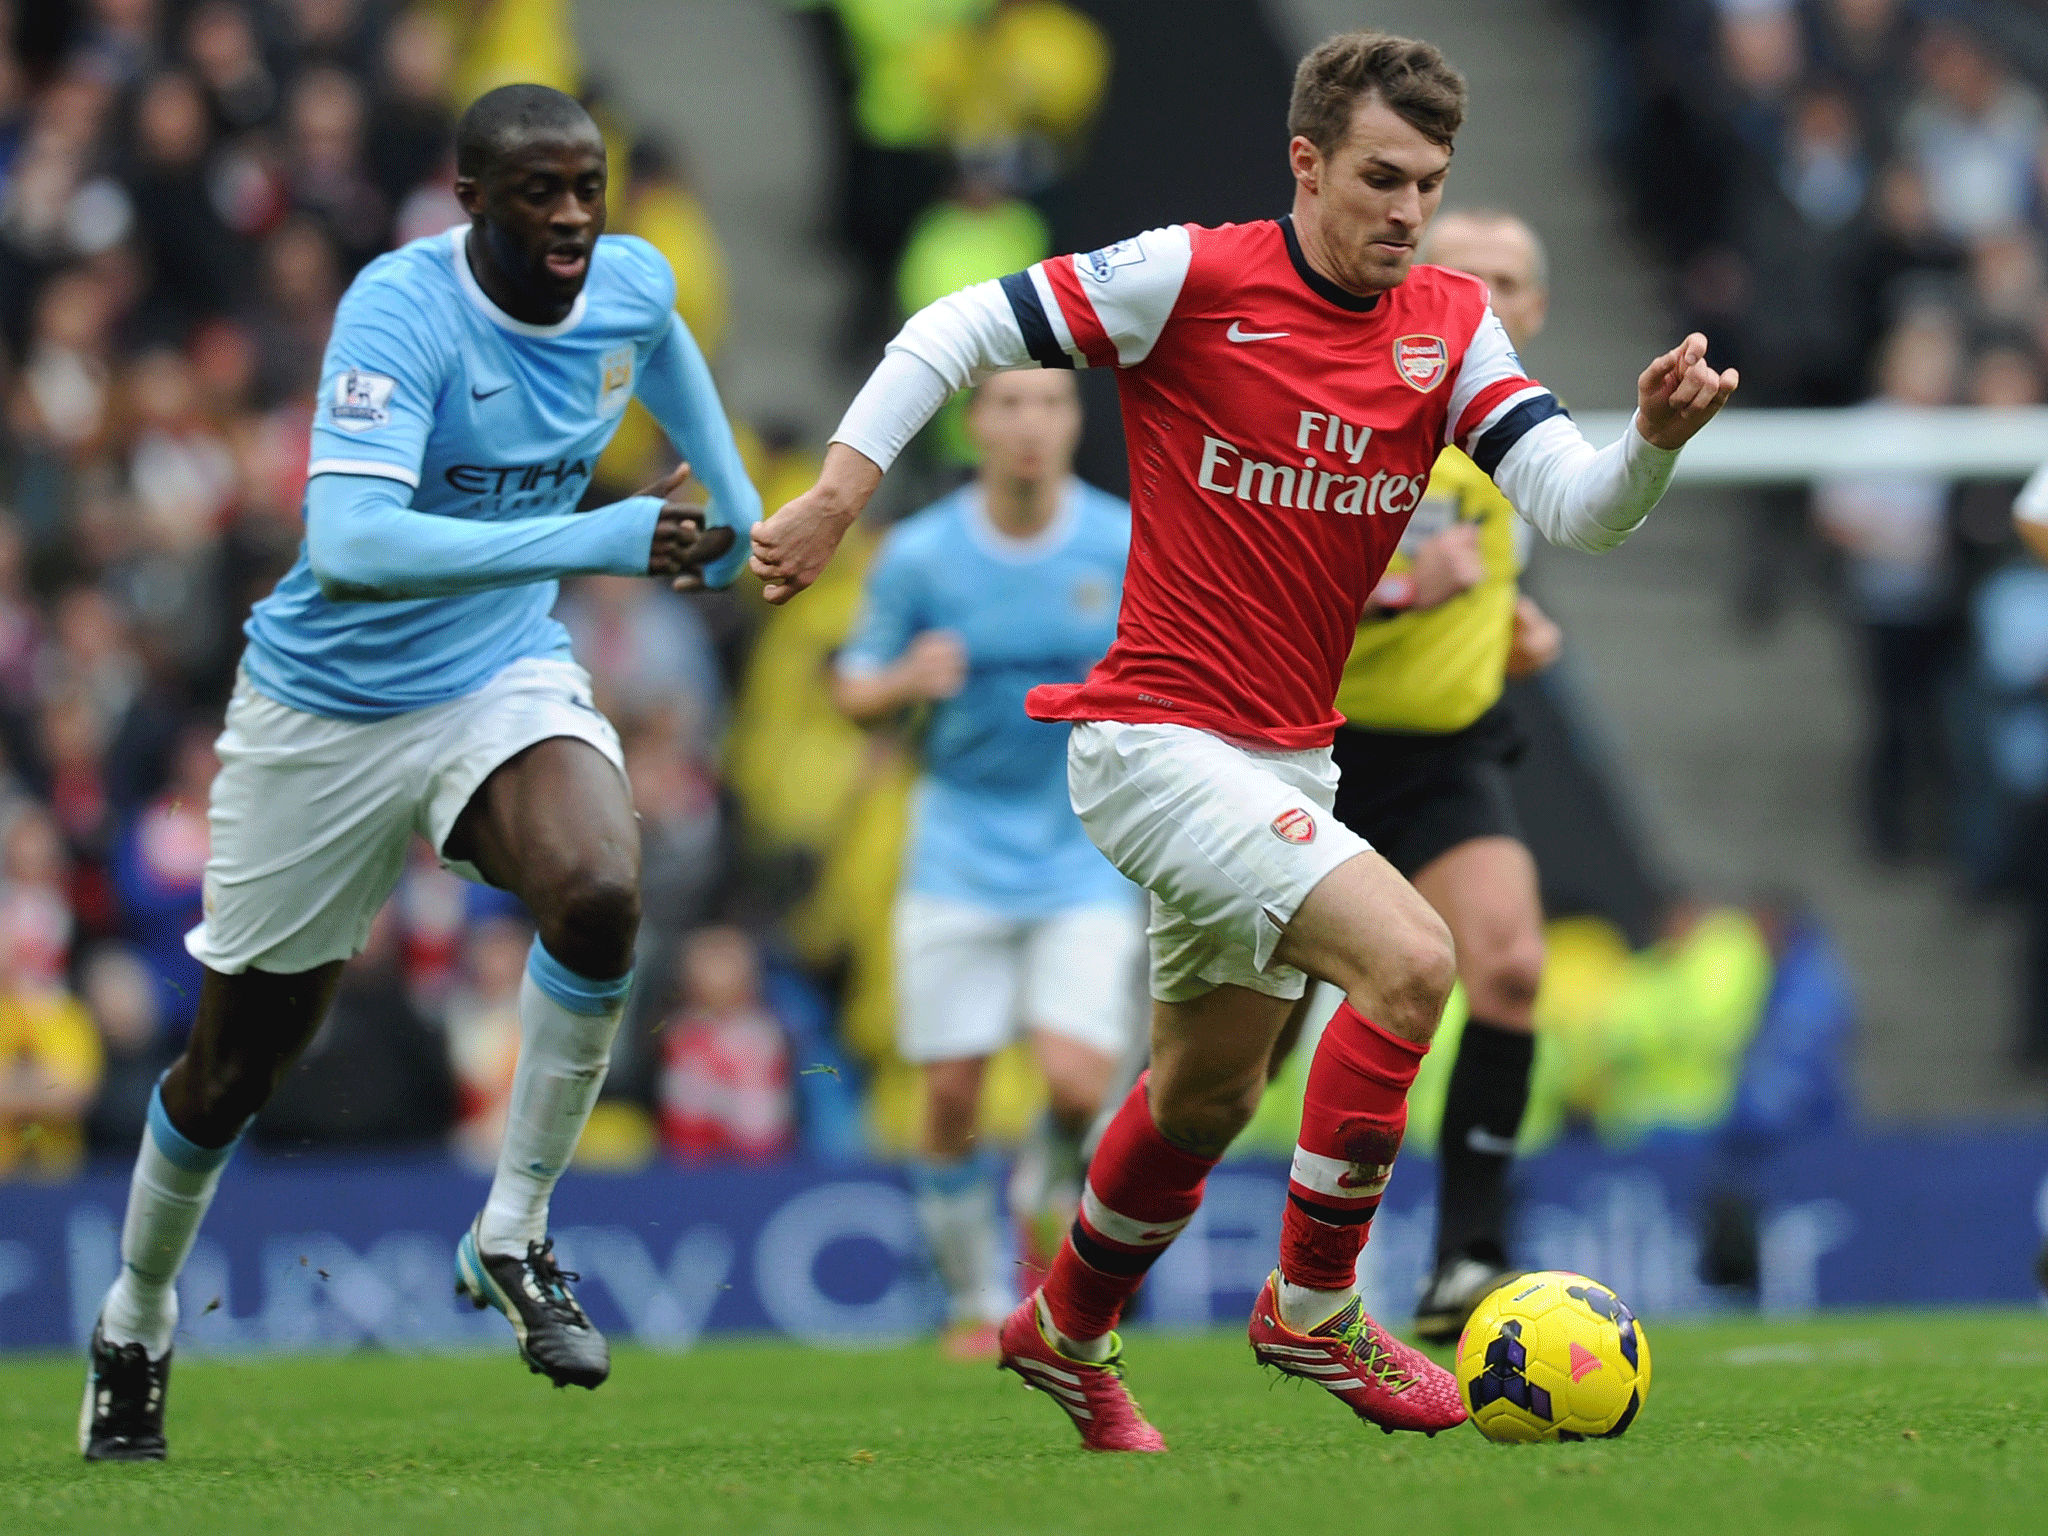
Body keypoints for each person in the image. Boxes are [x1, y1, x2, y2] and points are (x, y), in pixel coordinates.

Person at [752, 30, 1735, 1450]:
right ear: (1306, 163)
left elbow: (1575, 506)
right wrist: (842, 496)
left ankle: (1063, 1328)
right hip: (1150, 738)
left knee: (1203, 1094)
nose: (1405, 211)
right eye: (1380, 178)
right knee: (1413, 964)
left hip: (1288, 758)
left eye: (1429, 184)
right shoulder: (1193, 277)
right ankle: (1317, 1309)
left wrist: (1649, 441)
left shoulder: (1451, 325)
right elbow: (953, 325)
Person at [79, 83, 758, 1462]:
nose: (572, 218)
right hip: (320, 711)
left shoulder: (625, 277)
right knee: (232, 1073)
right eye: (538, 194)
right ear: (469, 200)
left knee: (600, 894)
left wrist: (738, 505)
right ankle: (137, 1317)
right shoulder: (402, 310)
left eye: (588, 188)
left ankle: (514, 1227)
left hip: (495, 677)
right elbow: (353, 547)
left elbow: (661, 332)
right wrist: (604, 534)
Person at [1279, 207, 1566, 1343]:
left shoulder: (1523, 440)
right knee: (1232, 1056)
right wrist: (1406, 590)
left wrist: (1514, 622)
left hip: (1446, 751)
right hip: (1306, 748)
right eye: (1467, 275)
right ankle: (1119, 1248)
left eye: (1510, 278)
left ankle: (1468, 1256)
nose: (1487, 296)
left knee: (1508, 968)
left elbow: (1496, 565)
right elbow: (1269, 587)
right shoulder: (1350, 410)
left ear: (1535, 308)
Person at [830, 368, 1137, 1358]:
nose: (1028, 425)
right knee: (953, 1091)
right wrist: (902, 679)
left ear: (1071, 421)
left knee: (1078, 1083)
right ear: (974, 425)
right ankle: (971, 1300)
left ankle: (1040, 1190)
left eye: (1048, 404)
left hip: (1081, 843)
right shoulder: (919, 556)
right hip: (957, 844)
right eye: (1007, 405)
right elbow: (849, 686)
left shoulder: (1119, 539)